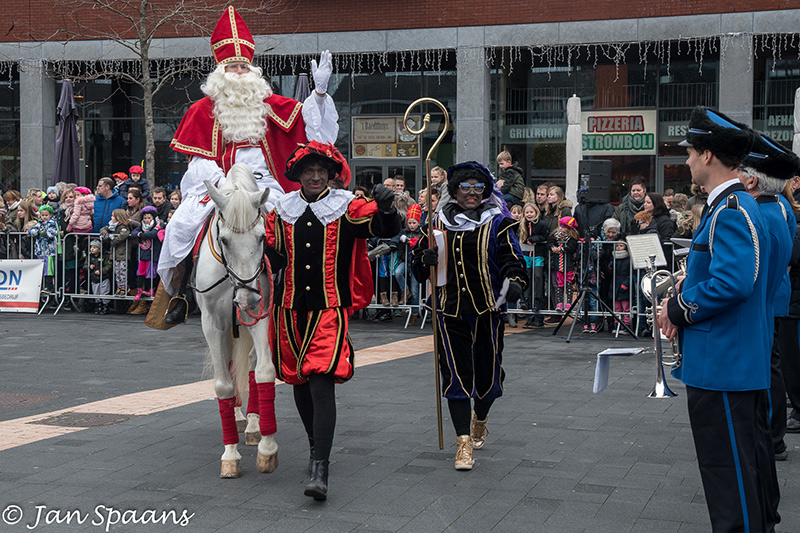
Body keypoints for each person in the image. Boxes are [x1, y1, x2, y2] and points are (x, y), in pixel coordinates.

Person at [158, 6, 338, 325]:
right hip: (219, 183)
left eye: (244, 66)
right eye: (232, 67)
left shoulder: (274, 107)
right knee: (181, 226)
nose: (239, 72)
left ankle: (295, 291)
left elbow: (317, 135)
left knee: (297, 226)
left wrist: (320, 94)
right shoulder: (202, 111)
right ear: (220, 72)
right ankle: (180, 295)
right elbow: (198, 161)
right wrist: (222, 185)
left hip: (267, 186)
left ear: (253, 71)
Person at [658, 107, 774, 533]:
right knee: (733, 471)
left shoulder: (730, 209)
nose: (686, 159)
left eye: (690, 152)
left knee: (728, 475)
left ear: (708, 155)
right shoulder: (726, 206)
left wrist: (677, 310)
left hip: (723, 364)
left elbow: (734, 283)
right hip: (723, 360)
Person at [265, 140, 400, 500]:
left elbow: (383, 229)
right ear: (298, 175)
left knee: (321, 381)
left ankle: (321, 468)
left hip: (328, 310)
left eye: (321, 171)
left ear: (330, 175)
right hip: (288, 309)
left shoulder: (346, 207)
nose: (314, 176)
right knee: (298, 382)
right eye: (308, 171)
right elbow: (273, 256)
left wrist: (386, 207)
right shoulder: (282, 210)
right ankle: (314, 449)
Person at [411, 161, 527, 471]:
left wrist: (515, 280)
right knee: (455, 375)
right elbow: (419, 268)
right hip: (448, 311)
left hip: (487, 311)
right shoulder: (436, 224)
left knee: (489, 378)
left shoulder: (498, 223)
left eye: (478, 188)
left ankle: (482, 416)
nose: (472, 194)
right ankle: (463, 444)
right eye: (466, 188)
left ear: (485, 191)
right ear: (455, 191)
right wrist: (425, 258)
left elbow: (512, 259)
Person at [739, 133, 798, 472]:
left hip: (771, 298)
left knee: (771, 366)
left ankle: (773, 435)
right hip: (776, 295)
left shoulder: (768, 210)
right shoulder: (778, 206)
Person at [391, 203, 423, 325]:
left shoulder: (421, 232)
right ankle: (405, 290)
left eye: (414, 223)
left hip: (416, 264)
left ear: (419, 222)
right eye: (410, 223)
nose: (412, 225)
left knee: (415, 290)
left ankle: (414, 313)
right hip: (406, 262)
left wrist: (416, 241)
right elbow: (396, 237)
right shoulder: (404, 231)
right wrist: (397, 241)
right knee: (398, 272)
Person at [519, 202, 549, 328]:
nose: (529, 214)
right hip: (526, 255)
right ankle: (528, 313)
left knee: (537, 279)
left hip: (538, 255)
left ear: (536, 212)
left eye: (531, 212)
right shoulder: (522, 225)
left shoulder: (541, 224)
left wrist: (535, 239)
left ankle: (538, 314)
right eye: (527, 212)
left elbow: (546, 237)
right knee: (527, 280)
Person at [131, 206, 162, 305]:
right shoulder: (141, 226)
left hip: (153, 254)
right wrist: (139, 234)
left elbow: (153, 234)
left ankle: (150, 289)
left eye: (149, 218)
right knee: (140, 272)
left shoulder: (158, 225)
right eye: (145, 218)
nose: (147, 220)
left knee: (150, 273)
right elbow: (133, 233)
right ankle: (139, 291)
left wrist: (142, 235)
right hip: (143, 253)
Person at [548, 216, 579, 312]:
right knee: (559, 284)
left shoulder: (572, 238)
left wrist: (561, 249)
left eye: (563, 227)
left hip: (569, 264)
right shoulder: (555, 236)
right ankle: (559, 303)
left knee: (569, 284)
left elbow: (571, 247)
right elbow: (549, 242)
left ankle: (569, 303)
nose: (561, 229)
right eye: (560, 226)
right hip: (558, 264)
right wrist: (553, 247)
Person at [100, 209, 133, 296]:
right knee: (117, 272)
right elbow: (103, 229)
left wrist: (113, 241)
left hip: (122, 253)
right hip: (114, 254)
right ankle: (119, 287)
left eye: (113, 216)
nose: (111, 217)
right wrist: (105, 234)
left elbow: (124, 235)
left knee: (122, 272)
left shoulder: (123, 226)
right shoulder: (111, 226)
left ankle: (124, 287)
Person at [28, 205, 59, 293]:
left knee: (48, 270)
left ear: (50, 215)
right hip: (40, 251)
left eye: (46, 215)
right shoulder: (39, 223)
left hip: (49, 252)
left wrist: (43, 234)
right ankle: (42, 286)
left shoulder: (52, 223)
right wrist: (38, 232)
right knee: (41, 270)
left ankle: (48, 287)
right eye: (42, 215)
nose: (44, 217)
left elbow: (51, 234)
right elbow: (31, 231)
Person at [87, 239, 112, 315]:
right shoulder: (90, 257)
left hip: (103, 278)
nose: (92, 249)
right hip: (94, 278)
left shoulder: (105, 256)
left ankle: (105, 306)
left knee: (104, 292)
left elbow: (108, 266)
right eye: (91, 247)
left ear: (100, 249)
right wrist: (89, 266)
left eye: (94, 247)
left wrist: (101, 271)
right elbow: (85, 264)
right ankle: (99, 305)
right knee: (96, 292)